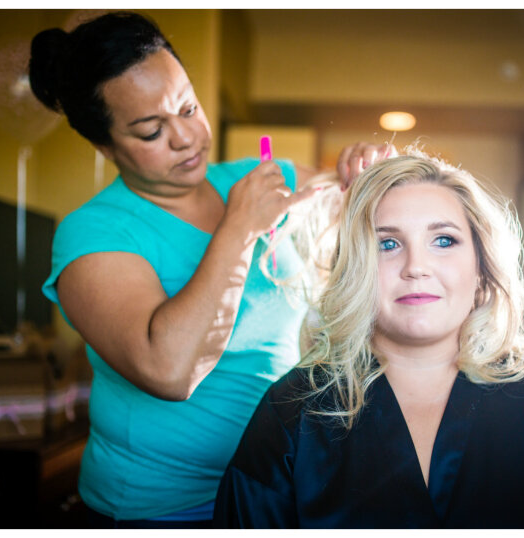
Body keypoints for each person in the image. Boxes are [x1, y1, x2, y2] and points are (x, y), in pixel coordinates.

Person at [29, 11, 393, 527]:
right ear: (104, 146)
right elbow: (167, 370)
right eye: (152, 130)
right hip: (158, 512)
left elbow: (358, 207)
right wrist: (238, 229)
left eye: (188, 107)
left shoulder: (257, 178)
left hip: (270, 491)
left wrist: (363, 174)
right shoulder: (94, 232)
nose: (185, 138)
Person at [214, 151, 524, 528]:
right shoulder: (291, 414)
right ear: (355, 271)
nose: (416, 266)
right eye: (387, 244)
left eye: (443, 240)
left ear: (481, 270)